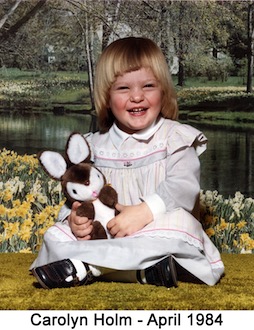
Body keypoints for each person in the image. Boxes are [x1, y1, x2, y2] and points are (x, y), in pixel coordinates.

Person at [30, 37, 224, 289]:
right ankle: (143, 273)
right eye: (123, 88)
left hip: (153, 230)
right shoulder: (93, 146)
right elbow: (75, 194)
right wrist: (75, 220)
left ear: (163, 89)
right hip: (105, 233)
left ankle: (91, 267)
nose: (137, 97)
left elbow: (183, 187)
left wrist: (144, 212)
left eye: (148, 86)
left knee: (181, 224)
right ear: (106, 96)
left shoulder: (174, 138)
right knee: (55, 234)